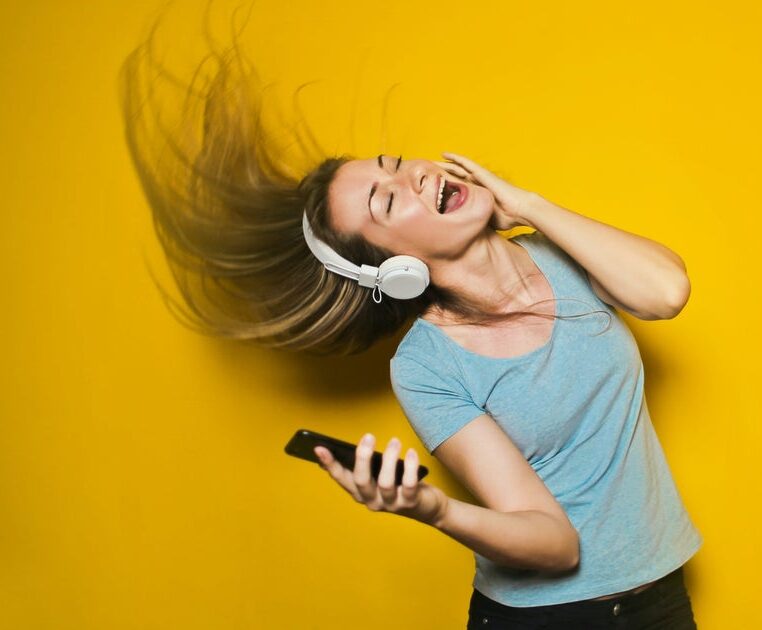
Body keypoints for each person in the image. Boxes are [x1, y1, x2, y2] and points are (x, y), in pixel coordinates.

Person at [121, 14, 702, 629]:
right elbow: (555, 544)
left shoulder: (561, 253)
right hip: (546, 619)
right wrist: (431, 508)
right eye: (389, 199)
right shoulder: (426, 365)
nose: (415, 175)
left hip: (658, 593)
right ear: (394, 270)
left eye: (396, 163)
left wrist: (526, 202)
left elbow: (666, 292)